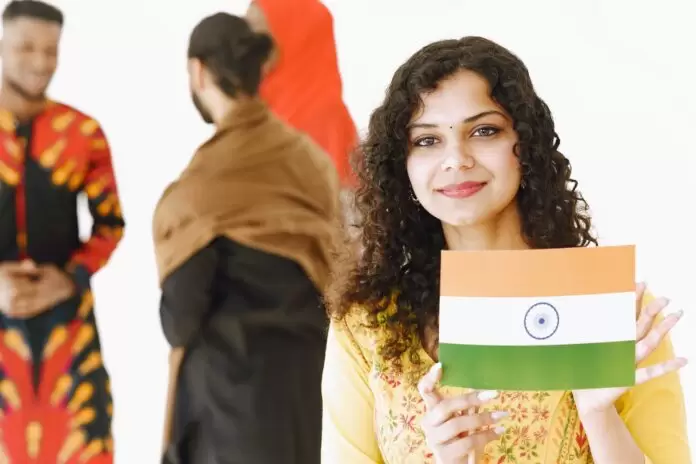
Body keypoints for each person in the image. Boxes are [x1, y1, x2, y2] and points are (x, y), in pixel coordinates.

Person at [321, 36, 690, 463]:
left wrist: (597, 414)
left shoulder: (616, 312)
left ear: (526, 146)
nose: (455, 159)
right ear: (401, 164)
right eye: (426, 140)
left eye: (484, 131)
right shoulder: (367, 324)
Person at [153, 12, 340, 464]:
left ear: (198, 71)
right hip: (308, 396)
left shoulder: (199, 189)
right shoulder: (311, 162)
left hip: (228, 410)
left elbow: (180, 319)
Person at [0, 1, 124, 462]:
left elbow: (110, 226)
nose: (40, 62)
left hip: (68, 337)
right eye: (26, 47)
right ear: (2, 45)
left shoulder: (83, 133)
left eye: (50, 50)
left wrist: (68, 278)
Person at [246, 0, 360, 233]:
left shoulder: (325, 120)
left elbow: (347, 236)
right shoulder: (252, 115)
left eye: (255, 35)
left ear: (292, 36)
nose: (243, 47)